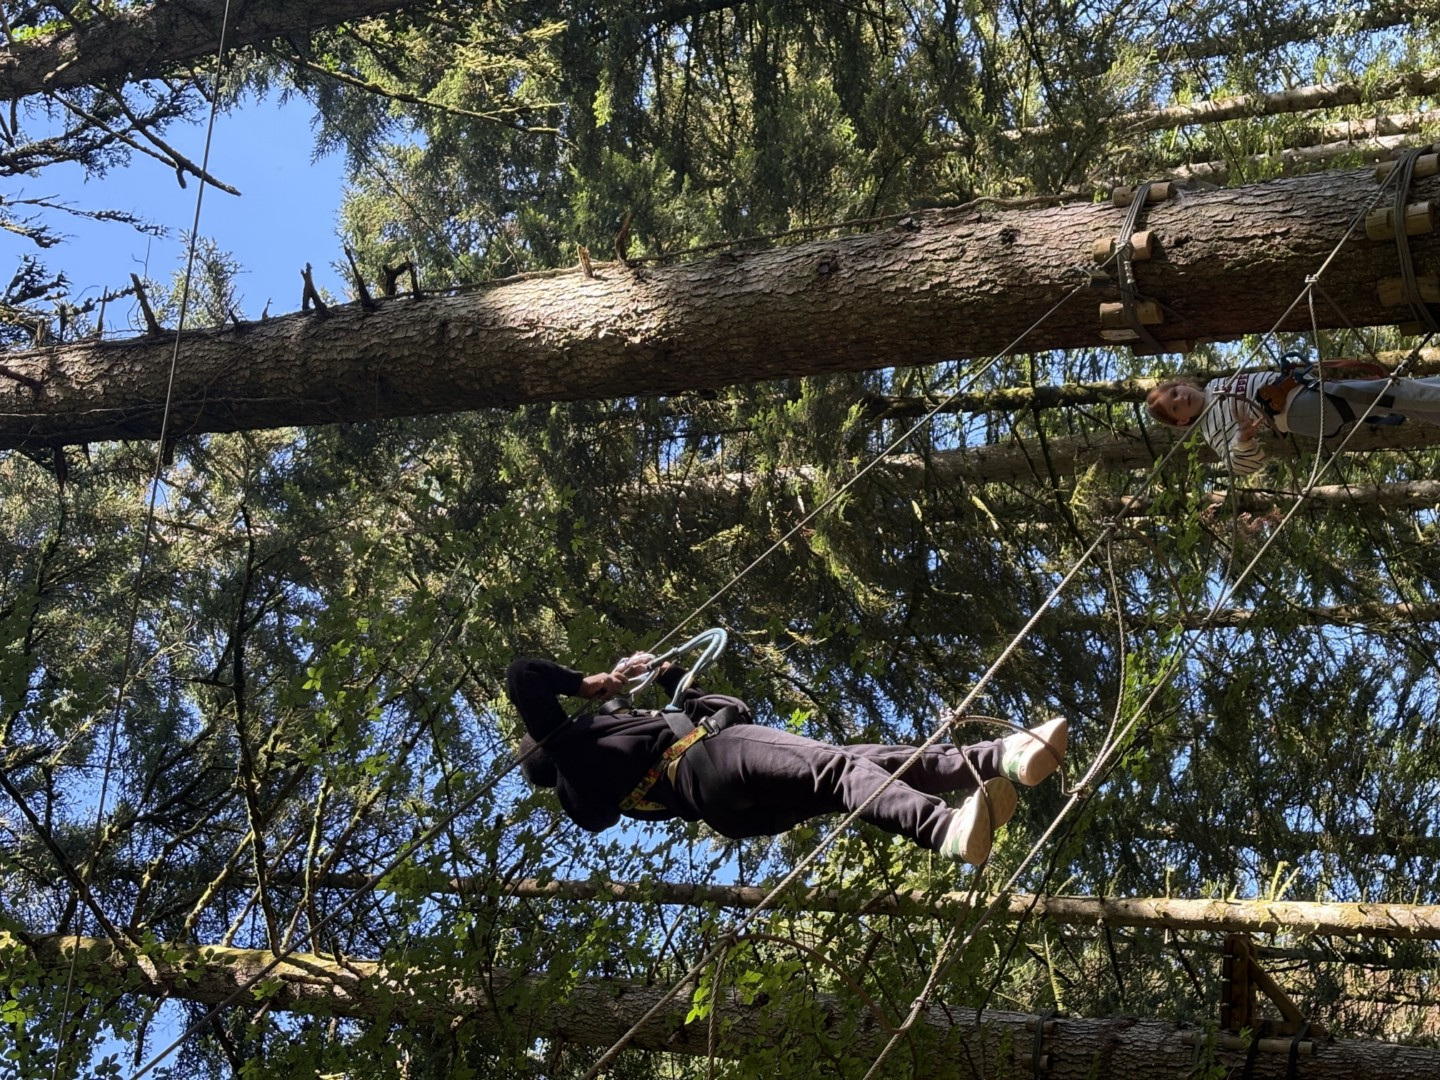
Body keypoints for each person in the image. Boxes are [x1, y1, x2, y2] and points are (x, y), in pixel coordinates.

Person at [506, 654, 1067, 866]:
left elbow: (722, 713)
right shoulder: (576, 753)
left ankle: (1001, 758)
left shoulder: (608, 779)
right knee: (843, 769)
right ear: (552, 744)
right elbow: (523, 674)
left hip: (729, 805)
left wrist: (670, 676)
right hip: (711, 761)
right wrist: (586, 684)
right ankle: (944, 829)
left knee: (863, 766)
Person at [1145, 364, 1440, 476]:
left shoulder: (1215, 385)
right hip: (1298, 409)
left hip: (1304, 389)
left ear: (1181, 384)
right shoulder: (1211, 427)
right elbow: (1240, 465)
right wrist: (1243, 440)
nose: (1181, 399)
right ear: (1182, 421)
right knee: (1391, 392)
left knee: (1394, 399)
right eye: (1175, 408)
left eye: (1175, 392)